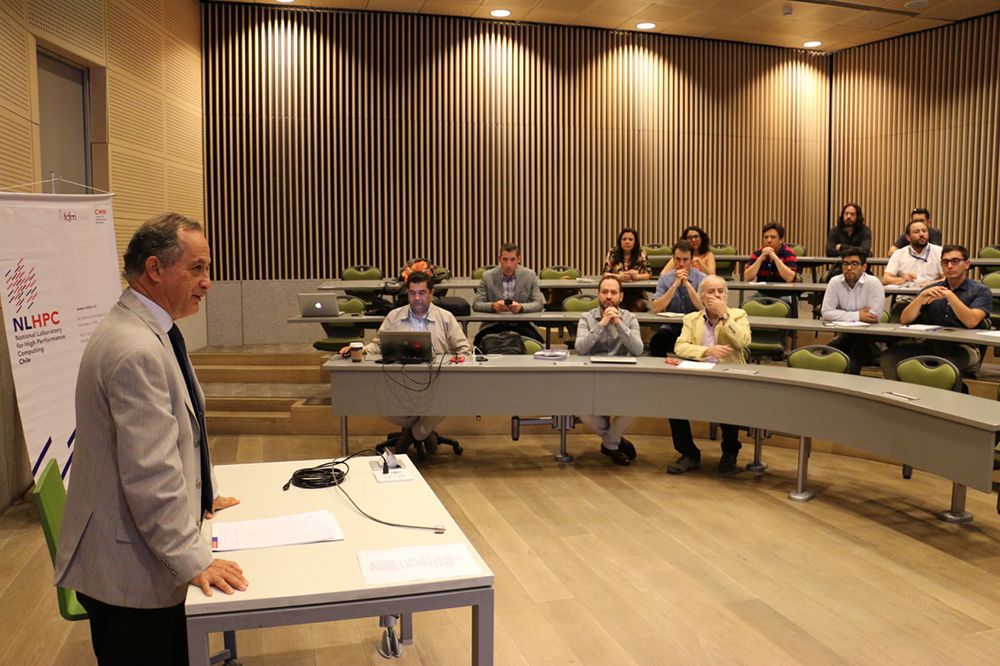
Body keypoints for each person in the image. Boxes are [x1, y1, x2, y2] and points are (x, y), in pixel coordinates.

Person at [54, 214, 248, 666]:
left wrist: (203, 491)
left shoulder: (150, 330)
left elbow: (183, 429)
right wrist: (193, 560)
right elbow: (149, 475)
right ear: (155, 269)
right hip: (130, 573)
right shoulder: (135, 349)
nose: (208, 282)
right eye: (197, 269)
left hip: (136, 551)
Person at [342, 271, 471, 454]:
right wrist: (360, 350)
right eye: (412, 293)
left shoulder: (446, 317)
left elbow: (464, 350)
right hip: (400, 382)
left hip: (437, 384)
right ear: (407, 293)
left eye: (422, 293)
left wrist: (451, 362)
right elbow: (377, 345)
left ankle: (412, 435)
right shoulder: (394, 316)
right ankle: (423, 431)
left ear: (431, 293)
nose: (417, 298)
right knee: (372, 398)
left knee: (446, 400)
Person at [666, 276, 751, 474]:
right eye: (711, 292)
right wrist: (706, 351)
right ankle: (689, 453)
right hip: (698, 375)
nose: (717, 295)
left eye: (720, 291)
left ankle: (730, 452)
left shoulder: (738, 315)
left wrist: (725, 317)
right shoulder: (691, 319)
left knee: (728, 401)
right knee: (673, 402)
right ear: (702, 297)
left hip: (728, 377)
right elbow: (680, 347)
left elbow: (743, 342)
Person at [880, 244, 992, 380]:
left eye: (955, 261)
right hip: (930, 344)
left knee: (942, 367)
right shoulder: (932, 289)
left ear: (967, 264)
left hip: (963, 348)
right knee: (889, 358)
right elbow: (905, 320)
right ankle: (899, 396)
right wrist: (920, 298)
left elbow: (971, 321)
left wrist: (950, 295)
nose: (950, 266)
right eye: (945, 262)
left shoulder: (980, 291)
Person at [574, 275, 644, 466]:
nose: (608, 296)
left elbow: (638, 349)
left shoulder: (630, 318)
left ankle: (610, 443)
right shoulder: (586, 318)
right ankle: (614, 441)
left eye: (613, 292)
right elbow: (580, 348)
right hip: (592, 377)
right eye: (604, 292)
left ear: (621, 297)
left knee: (636, 404)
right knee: (581, 410)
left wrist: (618, 324)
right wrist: (602, 323)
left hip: (621, 378)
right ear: (598, 295)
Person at [820, 246, 886, 374]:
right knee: (827, 352)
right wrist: (858, 315)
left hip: (869, 339)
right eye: (845, 264)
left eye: (854, 264)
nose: (849, 268)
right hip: (846, 335)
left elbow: (874, 316)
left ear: (864, 267)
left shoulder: (873, 283)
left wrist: (841, 313)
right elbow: (827, 312)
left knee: (853, 359)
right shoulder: (835, 282)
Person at [472, 242, 544, 349]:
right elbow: (476, 304)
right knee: (478, 344)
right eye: (505, 259)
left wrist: (521, 307)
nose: (508, 264)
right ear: (499, 259)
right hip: (494, 325)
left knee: (537, 344)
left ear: (519, 259)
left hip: (521, 324)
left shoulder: (530, 275)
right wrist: (493, 306)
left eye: (512, 259)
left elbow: (539, 303)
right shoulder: (487, 276)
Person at [649, 240, 706, 356]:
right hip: (671, 327)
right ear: (673, 259)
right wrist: (675, 285)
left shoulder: (702, 278)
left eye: (685, 260)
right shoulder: (665, 279)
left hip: (695, 328)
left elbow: (703, 307)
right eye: (678, 259)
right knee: (656, 342)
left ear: (691, 259)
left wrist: (687, 284)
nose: (681, 264)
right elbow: (656, 308)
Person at [743, 221, 799, 313]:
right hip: (763, 294)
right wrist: (760, 259)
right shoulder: (758, 253)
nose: (769, 240)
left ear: (781, 240)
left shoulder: (789, 253)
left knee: (783, 308)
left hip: (785, 294)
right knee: (745, 307)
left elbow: (790, 278)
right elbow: (747, 277)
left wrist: (775, 258)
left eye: (773, 237)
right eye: (766, 237)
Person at [882, 216, 943, 289]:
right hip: (905, 298)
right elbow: (885, 279)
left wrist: (931, 284)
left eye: (924, 231)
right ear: (908, 237)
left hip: (932, 297)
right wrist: (902, 279)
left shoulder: (939, 252)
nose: (921, 234)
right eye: (916, 232)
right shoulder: (899, 253)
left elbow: (948, 279)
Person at [602, 226, 652, 311]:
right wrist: (619, 277)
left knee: (638, 306)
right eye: (624, 239)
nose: (627, 242)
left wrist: (636, 277)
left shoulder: (641, 253)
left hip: (636, 293)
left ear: (635, 242)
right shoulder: (612, 252)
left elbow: (648, 274)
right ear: (620, 241)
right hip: (617, 292)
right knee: (617, 307)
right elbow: (605, 274)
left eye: (630, 239)